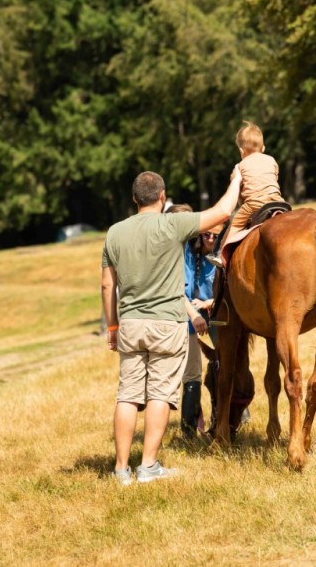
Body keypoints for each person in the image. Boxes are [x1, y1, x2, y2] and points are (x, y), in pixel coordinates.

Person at [101, 168, 241, 485]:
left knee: (127, 395)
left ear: (135, 198)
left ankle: (121, 469)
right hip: (166, 324)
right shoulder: (172, 223)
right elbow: (221, 212)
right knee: (160, 395)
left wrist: (112, 327)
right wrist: (236, 180)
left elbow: (108, 286)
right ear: (162, 198)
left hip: (130, 324)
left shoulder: (114, 232)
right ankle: (148, 466)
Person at [207, 121, 284, 266]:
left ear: (241, 151)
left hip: (254, 205)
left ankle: (220, 254)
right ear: (263, 148)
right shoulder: (272, 160)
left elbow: (238, 195)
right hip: (278, 202)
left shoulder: (240, 166)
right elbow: (274, 179)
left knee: (235, 223)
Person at [181, 220, 224, 438]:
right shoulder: (189, 254)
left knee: (227, 364)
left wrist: (208, 304)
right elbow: (181, 290)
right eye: (206, 235)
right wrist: (196, 315)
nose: (210, 239)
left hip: (218, 317)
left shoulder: (226, 252)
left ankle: (232, 416)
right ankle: (189, 431)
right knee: (192, 373)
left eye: (215, 236)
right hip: (190, 320)